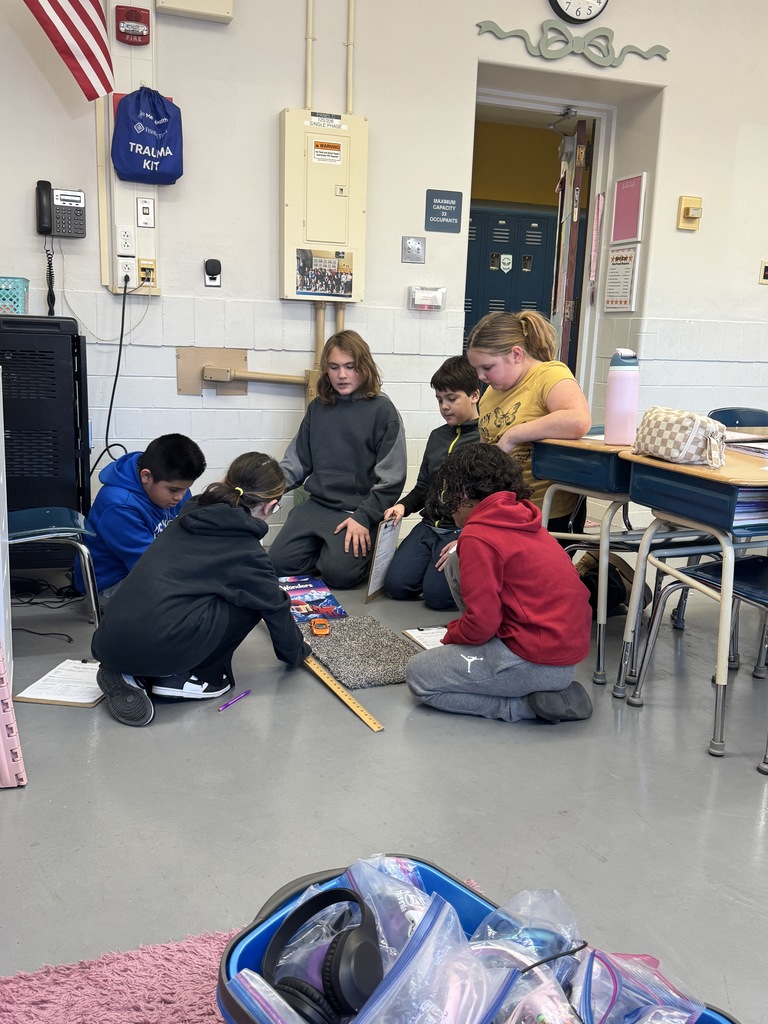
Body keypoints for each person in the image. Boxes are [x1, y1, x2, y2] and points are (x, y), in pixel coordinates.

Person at [92, 452, 311, 727]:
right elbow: (276, 607)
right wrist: (297, 653)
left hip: (108, 640)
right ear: (270, 507)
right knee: (253, 598)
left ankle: (130, 672)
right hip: (159, 645)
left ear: (224, 481)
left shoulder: (187, 514)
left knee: (221, 591)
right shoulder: (248, 554)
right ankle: (194, 678)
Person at [405, 443, 593, 725]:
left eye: (450, 495)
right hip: (562, 654)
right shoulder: (524, 517)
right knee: (455, 559)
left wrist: (452, 636)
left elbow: (482, 623)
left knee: (419, 677)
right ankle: (531, 684)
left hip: (535, 661)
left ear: (465, 495)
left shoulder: (478, 537)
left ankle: (527, 706)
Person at [268, 330, 407, 589]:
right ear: (326, 370)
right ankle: (327, 550)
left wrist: (365, 518)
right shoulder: (318, 408)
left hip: (355, 510)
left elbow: (392, 480)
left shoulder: (383, 411)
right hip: (318, 504)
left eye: (349, 367)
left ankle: (357, 548)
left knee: (340, 577)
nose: (341, 375)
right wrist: (262, 489)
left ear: (363, 367)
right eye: (334, 367)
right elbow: (295, 464)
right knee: (277, 565)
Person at [465, 310, 591, 535]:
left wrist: (514, 434)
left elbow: (578, 419)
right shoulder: (491, 393)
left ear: (516, 354)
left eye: (487, 367)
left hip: (547, 513)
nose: (481, 376)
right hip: (506, 507)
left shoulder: (549, 374)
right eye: (477, 369)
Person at [383, 355, 481, 610]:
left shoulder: (487, 439)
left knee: (437, 599)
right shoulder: (437, 437)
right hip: (429, 526)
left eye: (452, 398)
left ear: (474, 395)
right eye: (440, 400)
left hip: (460, 532)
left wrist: (466, 538)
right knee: (397, 587)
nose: (444, 407)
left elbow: (490, 501)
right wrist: (402, 507)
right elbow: (424, 487)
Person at [74, 433, 207, 608]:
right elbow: (148, 567)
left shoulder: (168, 485)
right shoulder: (119, 506)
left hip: (150, 566)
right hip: (110, 586)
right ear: (146, 476)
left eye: (186, 489)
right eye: (174, 490)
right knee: (195, 600)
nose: (180, 497)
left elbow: (189, 534)